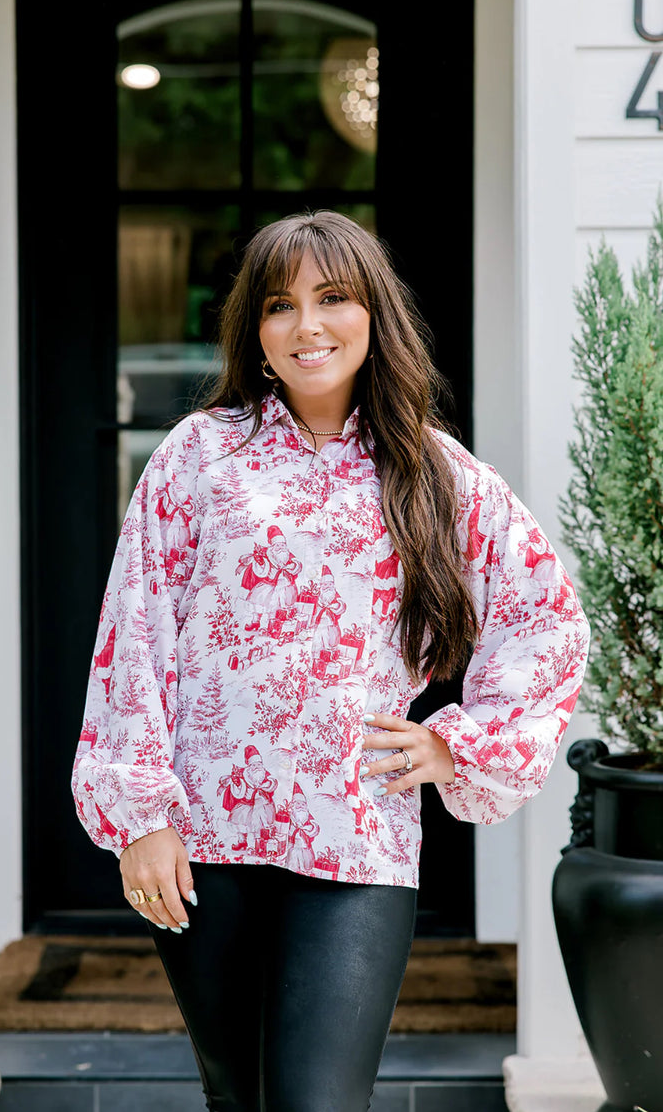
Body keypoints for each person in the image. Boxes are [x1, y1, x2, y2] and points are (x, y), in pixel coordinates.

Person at [71, 210, 591, 1112]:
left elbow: (546, 614)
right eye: (281, 305)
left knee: (318, 1101)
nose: (307, 326)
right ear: (256, 331)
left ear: (372, 313)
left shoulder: (437, 474)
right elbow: (133, 634)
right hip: (204, 836)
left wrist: (454, 746)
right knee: (238, 1095)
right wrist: (139, 815)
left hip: (355, 835)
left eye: (333, 297)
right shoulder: (200, 455)